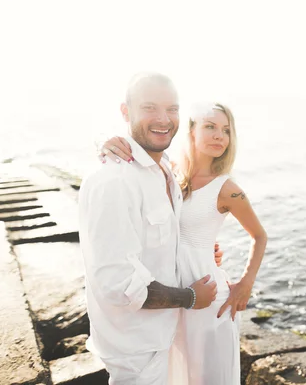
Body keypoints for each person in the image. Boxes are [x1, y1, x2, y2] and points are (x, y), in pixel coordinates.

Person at [100, 102, 267, 384]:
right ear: (191, 131)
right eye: (210, 127)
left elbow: (260, 236)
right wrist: (109, 144)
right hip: (172, 294)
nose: (219, 136)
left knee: (208, 376)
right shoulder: (169, 172)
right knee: (176, 373)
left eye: (226, 130)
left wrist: (245, 284)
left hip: (209, 296)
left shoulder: (228, 189)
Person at [79, 72, 220, 384]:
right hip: (138, 353)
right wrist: (190, 297)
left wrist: (195, 252)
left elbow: (160, 240)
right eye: (150, 108)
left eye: (172, 109)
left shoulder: (164, 170)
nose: (163, 119)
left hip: (168, 337)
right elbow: (119, 283)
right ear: (125, 112)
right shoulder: (113, 181)